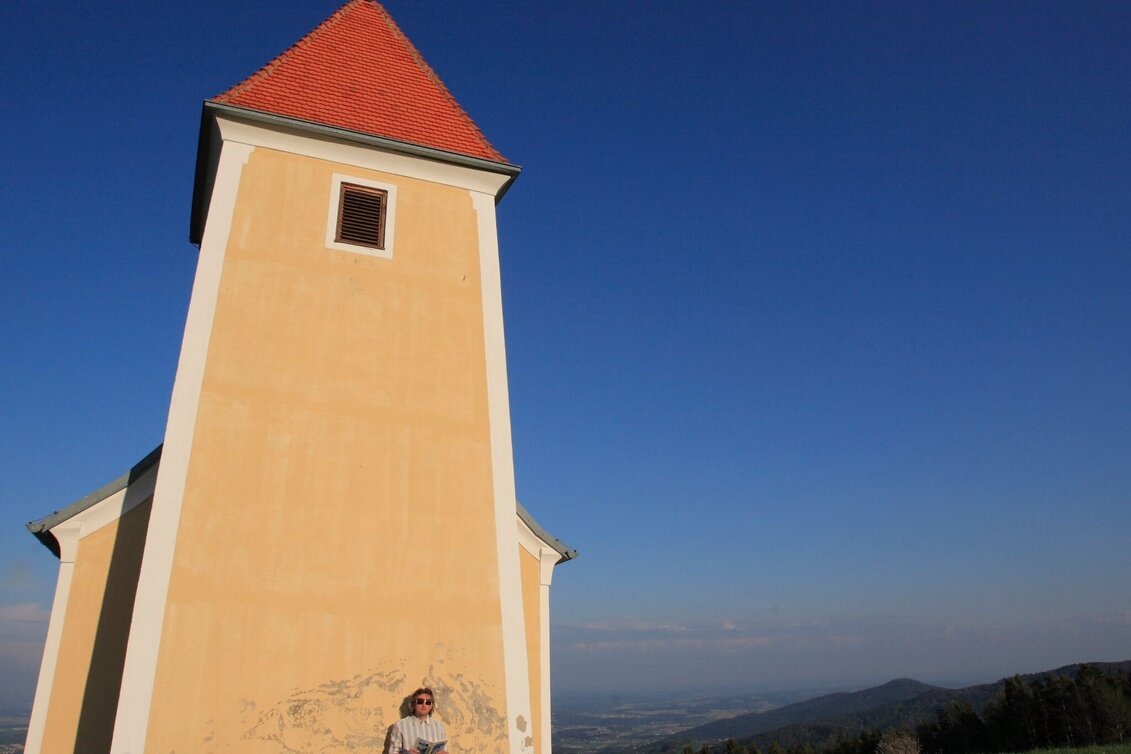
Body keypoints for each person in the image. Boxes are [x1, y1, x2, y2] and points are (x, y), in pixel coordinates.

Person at [389, 687, 448, 754]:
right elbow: (393, 752)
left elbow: (445, 750)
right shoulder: (400, 725)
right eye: (420, 701)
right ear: (414, 704)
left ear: (431, 706)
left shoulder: (439, 726)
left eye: (428, 702)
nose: (424, 705)